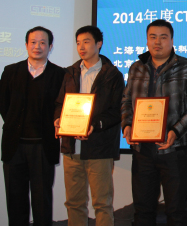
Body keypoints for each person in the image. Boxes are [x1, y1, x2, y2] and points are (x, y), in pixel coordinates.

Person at [121, 19, 187, 226]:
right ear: (147, 40)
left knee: (176, 211)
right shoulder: (136, 68)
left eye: (163, 37)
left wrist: (175, 131)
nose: (157, 42)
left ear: (172, 40)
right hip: (142, 150)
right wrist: (127, 125)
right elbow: (126, 101)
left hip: (174, 150)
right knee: (142, 210)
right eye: (153, 37)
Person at [54, 26, 124, 226]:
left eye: (86, 42)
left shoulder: (112, 75)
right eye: (78, 43)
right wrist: (58, 119)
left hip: (99, 148)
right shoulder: (69, 73)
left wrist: (95, 124)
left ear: (98, 44)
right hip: (72, 147)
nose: (81, 47)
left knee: (102, 203)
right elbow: (60, 103)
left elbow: (117, 110)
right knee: (74, 202)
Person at [0, 26, 65, 226]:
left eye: (43, 42)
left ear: (50, 47)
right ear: (26, 45)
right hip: (14, 147)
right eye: (33, 42)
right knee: (15, 201)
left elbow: (62, 106)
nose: (37, 46)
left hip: (43, 147)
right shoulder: (11, 71)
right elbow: (4, 106)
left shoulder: (59, 74)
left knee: (42, 201)